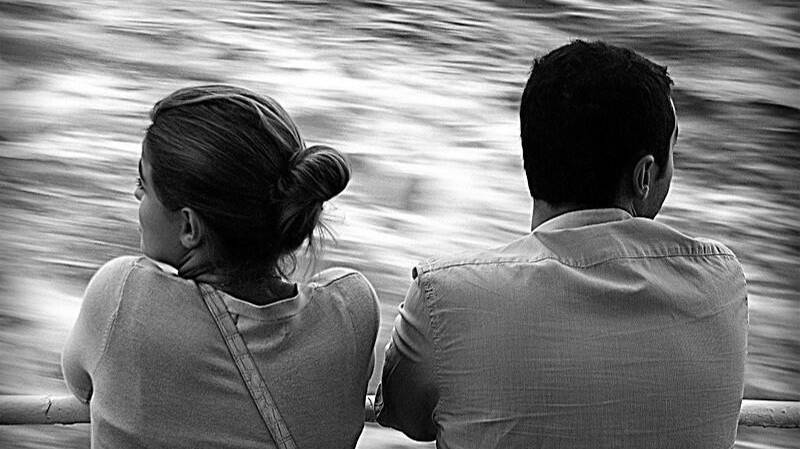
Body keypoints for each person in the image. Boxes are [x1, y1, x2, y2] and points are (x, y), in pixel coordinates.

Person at [376, 40, 748, 448]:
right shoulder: (720, 286)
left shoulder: (445, 299)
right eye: (673, 151)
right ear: (644, 176)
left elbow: (403, 414)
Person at [62, 85, 380, 449]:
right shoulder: (351, 311)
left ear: (189, 227)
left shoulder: (121, 297)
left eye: (143, 185)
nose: (136, 195)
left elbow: (80, 384)